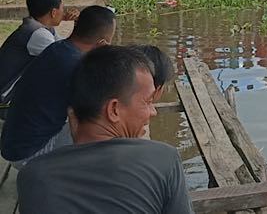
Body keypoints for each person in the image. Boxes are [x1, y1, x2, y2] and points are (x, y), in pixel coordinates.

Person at [17, 46, 193, 214]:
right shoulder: (164, 160)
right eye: (147, 102)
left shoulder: (32, 175)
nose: (153, 112)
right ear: (114, 109)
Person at [1, 6, 116, 169]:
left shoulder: (59, 49)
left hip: (14, 143)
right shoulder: (74, 65)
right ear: (102, 44)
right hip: (29, 153)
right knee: (107, 125)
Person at [0, 0, 79, 113]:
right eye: (62, 8)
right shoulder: (37, 34)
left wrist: (76, 24)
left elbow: (66, 48)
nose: (64, 12)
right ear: (53, 12)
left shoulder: (39, 28)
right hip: (6, 100)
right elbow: (68, 58)